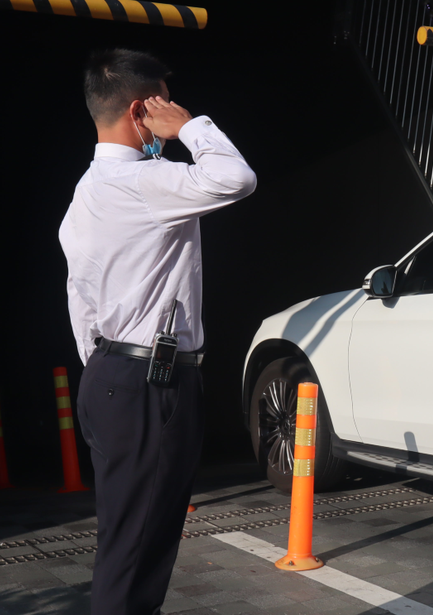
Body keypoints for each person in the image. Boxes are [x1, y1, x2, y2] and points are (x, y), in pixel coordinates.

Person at [59, 49, 256, 614]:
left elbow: (79, 295)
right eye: (163, 104)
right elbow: (236, 178)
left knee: (127, 543)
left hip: (112, 376)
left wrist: (107, 367)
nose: (170, 114)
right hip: (151, 380)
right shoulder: (143, 180)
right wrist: (190, 125)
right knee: (139, 551)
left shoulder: (86, 191)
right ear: (140, 110)